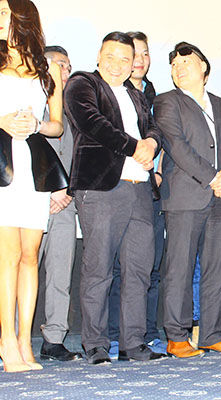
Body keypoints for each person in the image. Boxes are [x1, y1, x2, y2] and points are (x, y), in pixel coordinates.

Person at [64, 31, 165, 364]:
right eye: (110, 57)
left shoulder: (136, 94)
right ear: (98, 56)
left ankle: (132, 342)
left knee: (139, 270)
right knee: (99, 269)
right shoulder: (83, 84)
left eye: (125, 58)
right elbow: (93, 124)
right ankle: (95, 343)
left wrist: (152, 143)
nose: (117, 65)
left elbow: (153, 127)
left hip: (140, 190)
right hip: (101, 188)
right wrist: (136, 147)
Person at [154, 42, 221, 357]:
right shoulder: (167, 101)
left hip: (220, 198)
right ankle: (176, 337)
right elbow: (177, 147)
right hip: (184, 197)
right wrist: (214, 178)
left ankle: (211, 335)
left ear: (204, 67)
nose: (178, 69)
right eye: (174, 66)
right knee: (178, 269)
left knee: (217, 268)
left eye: (186, 63)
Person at [0, 0, 64, 372]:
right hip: (3, 165)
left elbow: (56, 124)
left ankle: (25, 341)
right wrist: (2, 121)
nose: (0, 19)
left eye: (5, 13)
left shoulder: (48, 67)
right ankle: (7, 340)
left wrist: (37, 125)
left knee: (30, 255)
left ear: (23, 17)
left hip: (33, 167)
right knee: (7, 256)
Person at [107, 30, 165, 358]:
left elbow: (161, 138)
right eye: (135, 54)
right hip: (119, 185)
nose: (140, 60)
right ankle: (116, 335)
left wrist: (159, 170)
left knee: (150, 266)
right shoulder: (110, 91)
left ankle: (147, 332)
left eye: (145, 54)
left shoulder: (154, 95)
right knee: (119, 267)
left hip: (152, 190)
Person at [38, 45, 82, 362]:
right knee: (18, 272)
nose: (64, 71)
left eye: (67, 66)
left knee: (60, 274)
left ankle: (54, 338)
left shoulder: (77, 109)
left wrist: (69, 191)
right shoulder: (27, 103)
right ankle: (11, 338)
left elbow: (86, 156)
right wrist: (50, 189)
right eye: (58, 64)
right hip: (32, 202)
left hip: (66, 204)